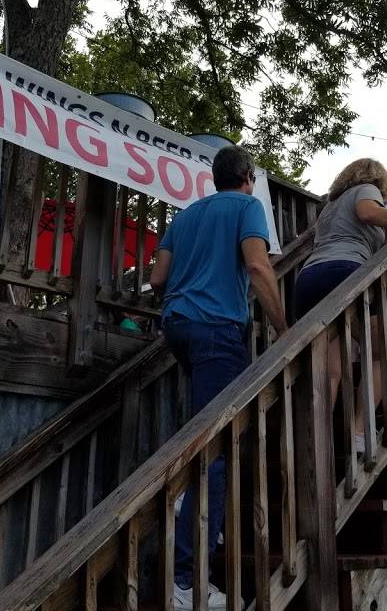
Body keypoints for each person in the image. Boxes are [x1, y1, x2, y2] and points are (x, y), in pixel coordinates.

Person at [150, 145, 287, 610]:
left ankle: (196, 514)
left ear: (214, 178)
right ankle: (186, 580)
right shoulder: (248, 207)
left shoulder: (186, 215)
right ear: (247, 177)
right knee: (217, 452)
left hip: (179, 327)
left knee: (206, 433)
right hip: (216, 330)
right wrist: (285, 328)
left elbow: (157, 278)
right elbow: (257, 266)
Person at [294, 158, 387, 452]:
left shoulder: (329, 208)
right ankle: (359, 433)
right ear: (378, 179)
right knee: (381, 350)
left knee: (329, 365)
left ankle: (316, 443)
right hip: (343, 272)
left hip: (308, 278)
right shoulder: (366, 189)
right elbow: (368, 213)